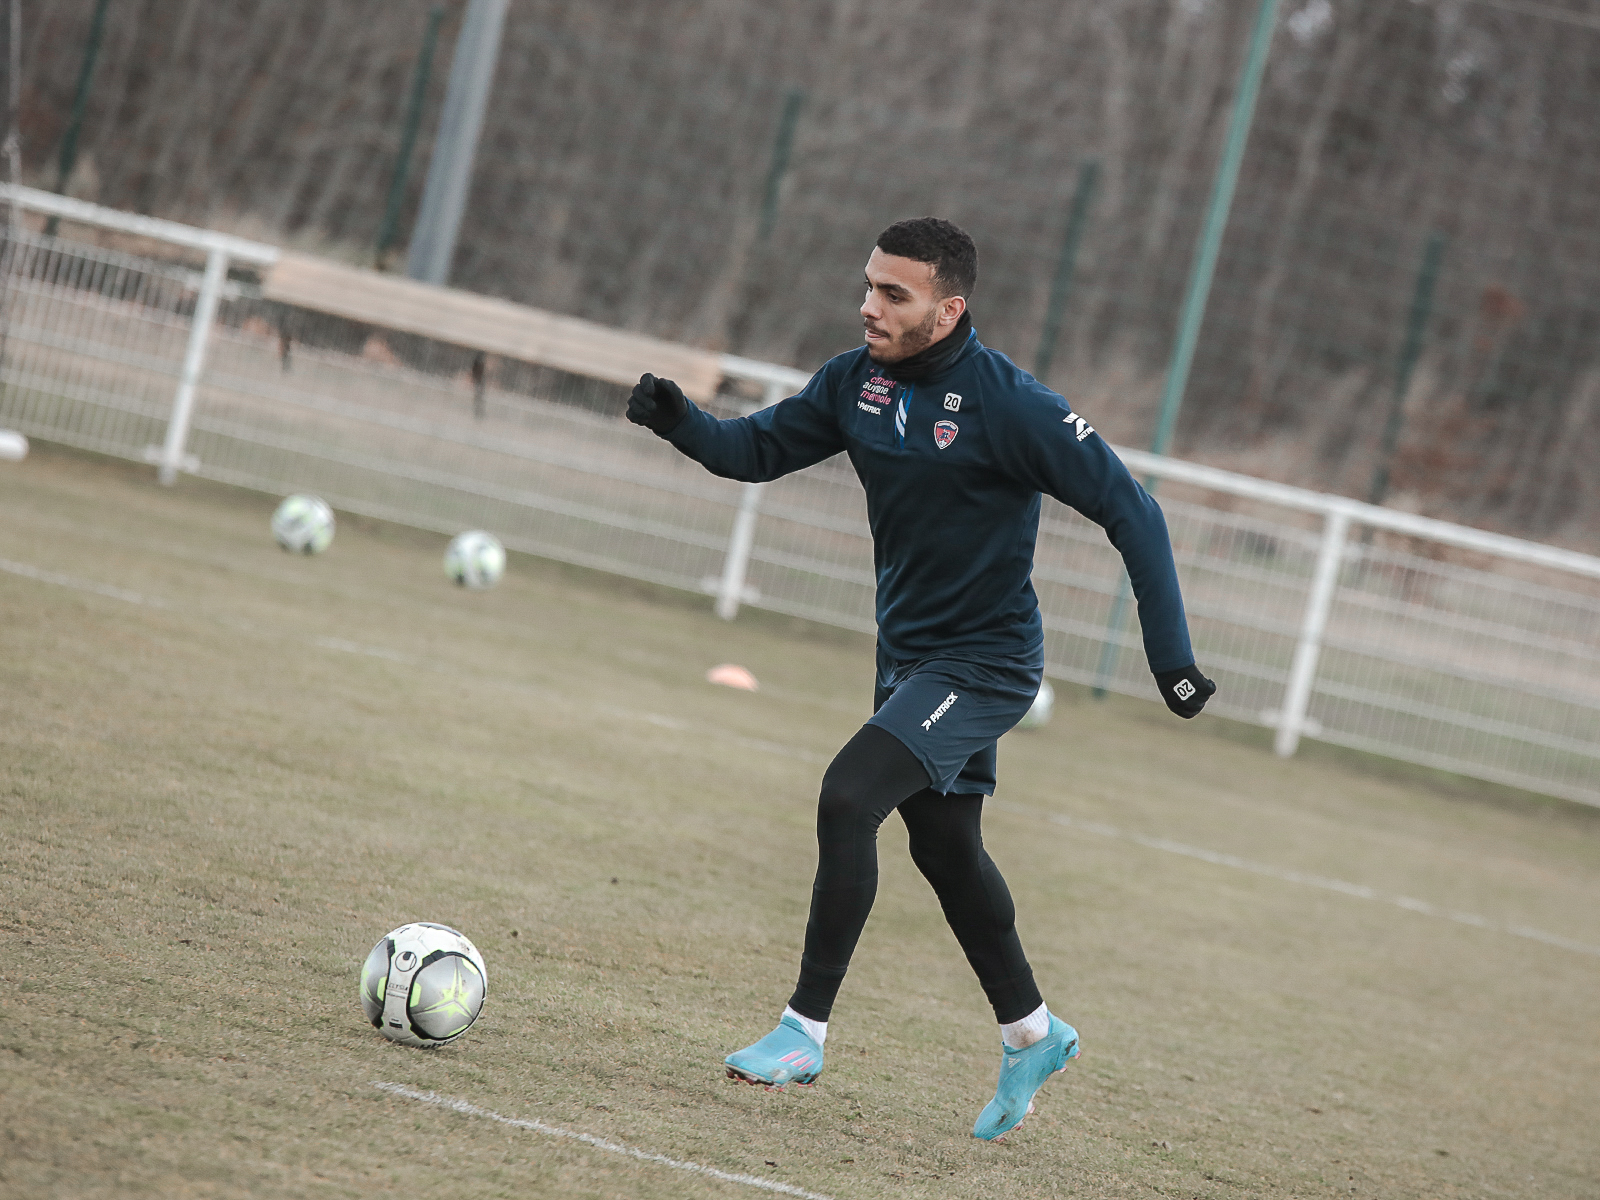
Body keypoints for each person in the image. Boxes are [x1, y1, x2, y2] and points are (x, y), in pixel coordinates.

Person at [625, 217, 1214, 1141]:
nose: (868, 305)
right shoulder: (854, 384)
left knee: (847, 795)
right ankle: (1032, 1033)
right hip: (908, 659)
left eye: (893, 294)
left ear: (949, 309)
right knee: (943, 849)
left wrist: (1172, 663)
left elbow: (1134, 514)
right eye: (868, 285)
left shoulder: (1011, 406)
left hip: (985, 664)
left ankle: (801, 1032)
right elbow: (754, 451)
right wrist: (678, 420)